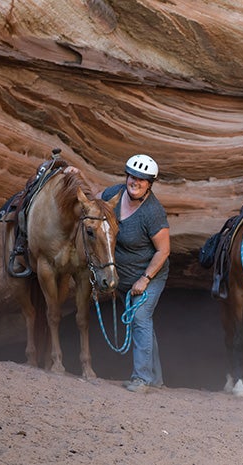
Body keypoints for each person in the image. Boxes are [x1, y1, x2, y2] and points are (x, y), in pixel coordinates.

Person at [67, 154, 170, 393]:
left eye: (142, 180)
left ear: (149, 184)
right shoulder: (116, 194)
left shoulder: (152, 212)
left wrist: (145, 279)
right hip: (121, 275)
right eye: (132, 176)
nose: (135, 182)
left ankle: (142, 379)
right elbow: (92, 201)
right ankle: (156, 378)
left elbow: (164, 250)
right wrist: (77, 175)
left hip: (149, 276)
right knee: (142, 322)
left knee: (140, 318)